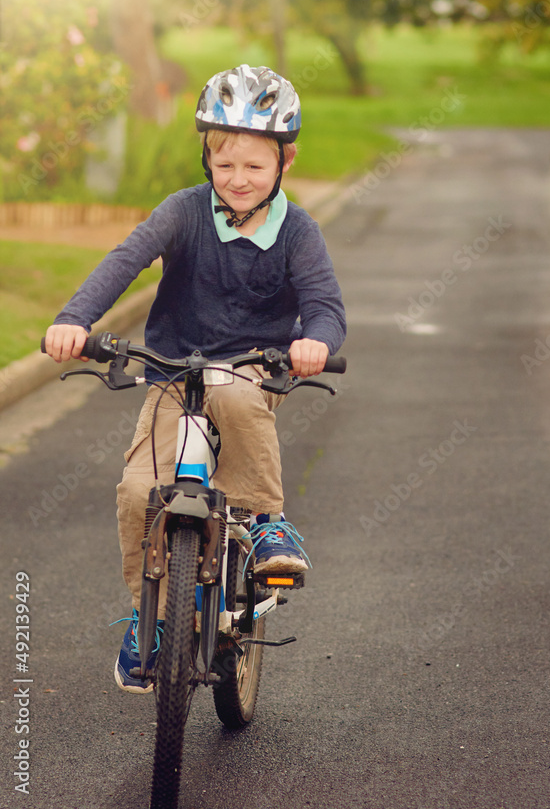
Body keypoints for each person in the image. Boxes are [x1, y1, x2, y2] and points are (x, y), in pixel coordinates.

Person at [43, 65, 347, 693]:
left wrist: (314, 341)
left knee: (234, 392)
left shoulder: (297, 231)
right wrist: (75, 319)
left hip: (251, 373)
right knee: (136, 493)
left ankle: (266, 522)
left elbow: (325, 305)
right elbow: (124, 260)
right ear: (206, 157)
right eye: (225, 164)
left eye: (255, 167)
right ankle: (150, 618)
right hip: (174, 374)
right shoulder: (182, 212)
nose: (238, 180)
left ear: (285, 163)